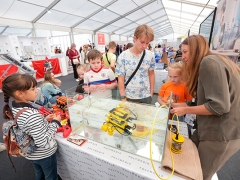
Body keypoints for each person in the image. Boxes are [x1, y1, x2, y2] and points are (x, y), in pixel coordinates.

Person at [170, 35, 240, 180]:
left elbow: (219, 106)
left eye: (185, 52)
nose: (182, 57)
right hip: (215, 130)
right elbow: (208, 98)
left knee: (198, 174)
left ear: (195, 50)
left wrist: (185, 110)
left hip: (222, 133)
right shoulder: (215, 60)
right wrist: (184, 105)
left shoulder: (208, 63)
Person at [2, 73, 61, 180]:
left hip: (31, 154)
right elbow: (42, 142)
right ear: (20, 93)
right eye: (33, 88)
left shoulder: (15, 107)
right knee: (50, 177)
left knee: (39, 174)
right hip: (44, 154)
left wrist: (44, 119)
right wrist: (56, 123)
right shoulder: (31, 115)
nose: (37, 91)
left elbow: (27, 126)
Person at [116, 24, 155, 104]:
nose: (144, 46)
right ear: (135, 38)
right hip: (129, 96)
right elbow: (121, 78)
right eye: (142, 42)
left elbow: (151, 74)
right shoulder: (123, 56)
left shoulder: (150, 55)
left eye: (147, 43)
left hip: (145, 96)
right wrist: (123, 96)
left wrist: (151, 93)